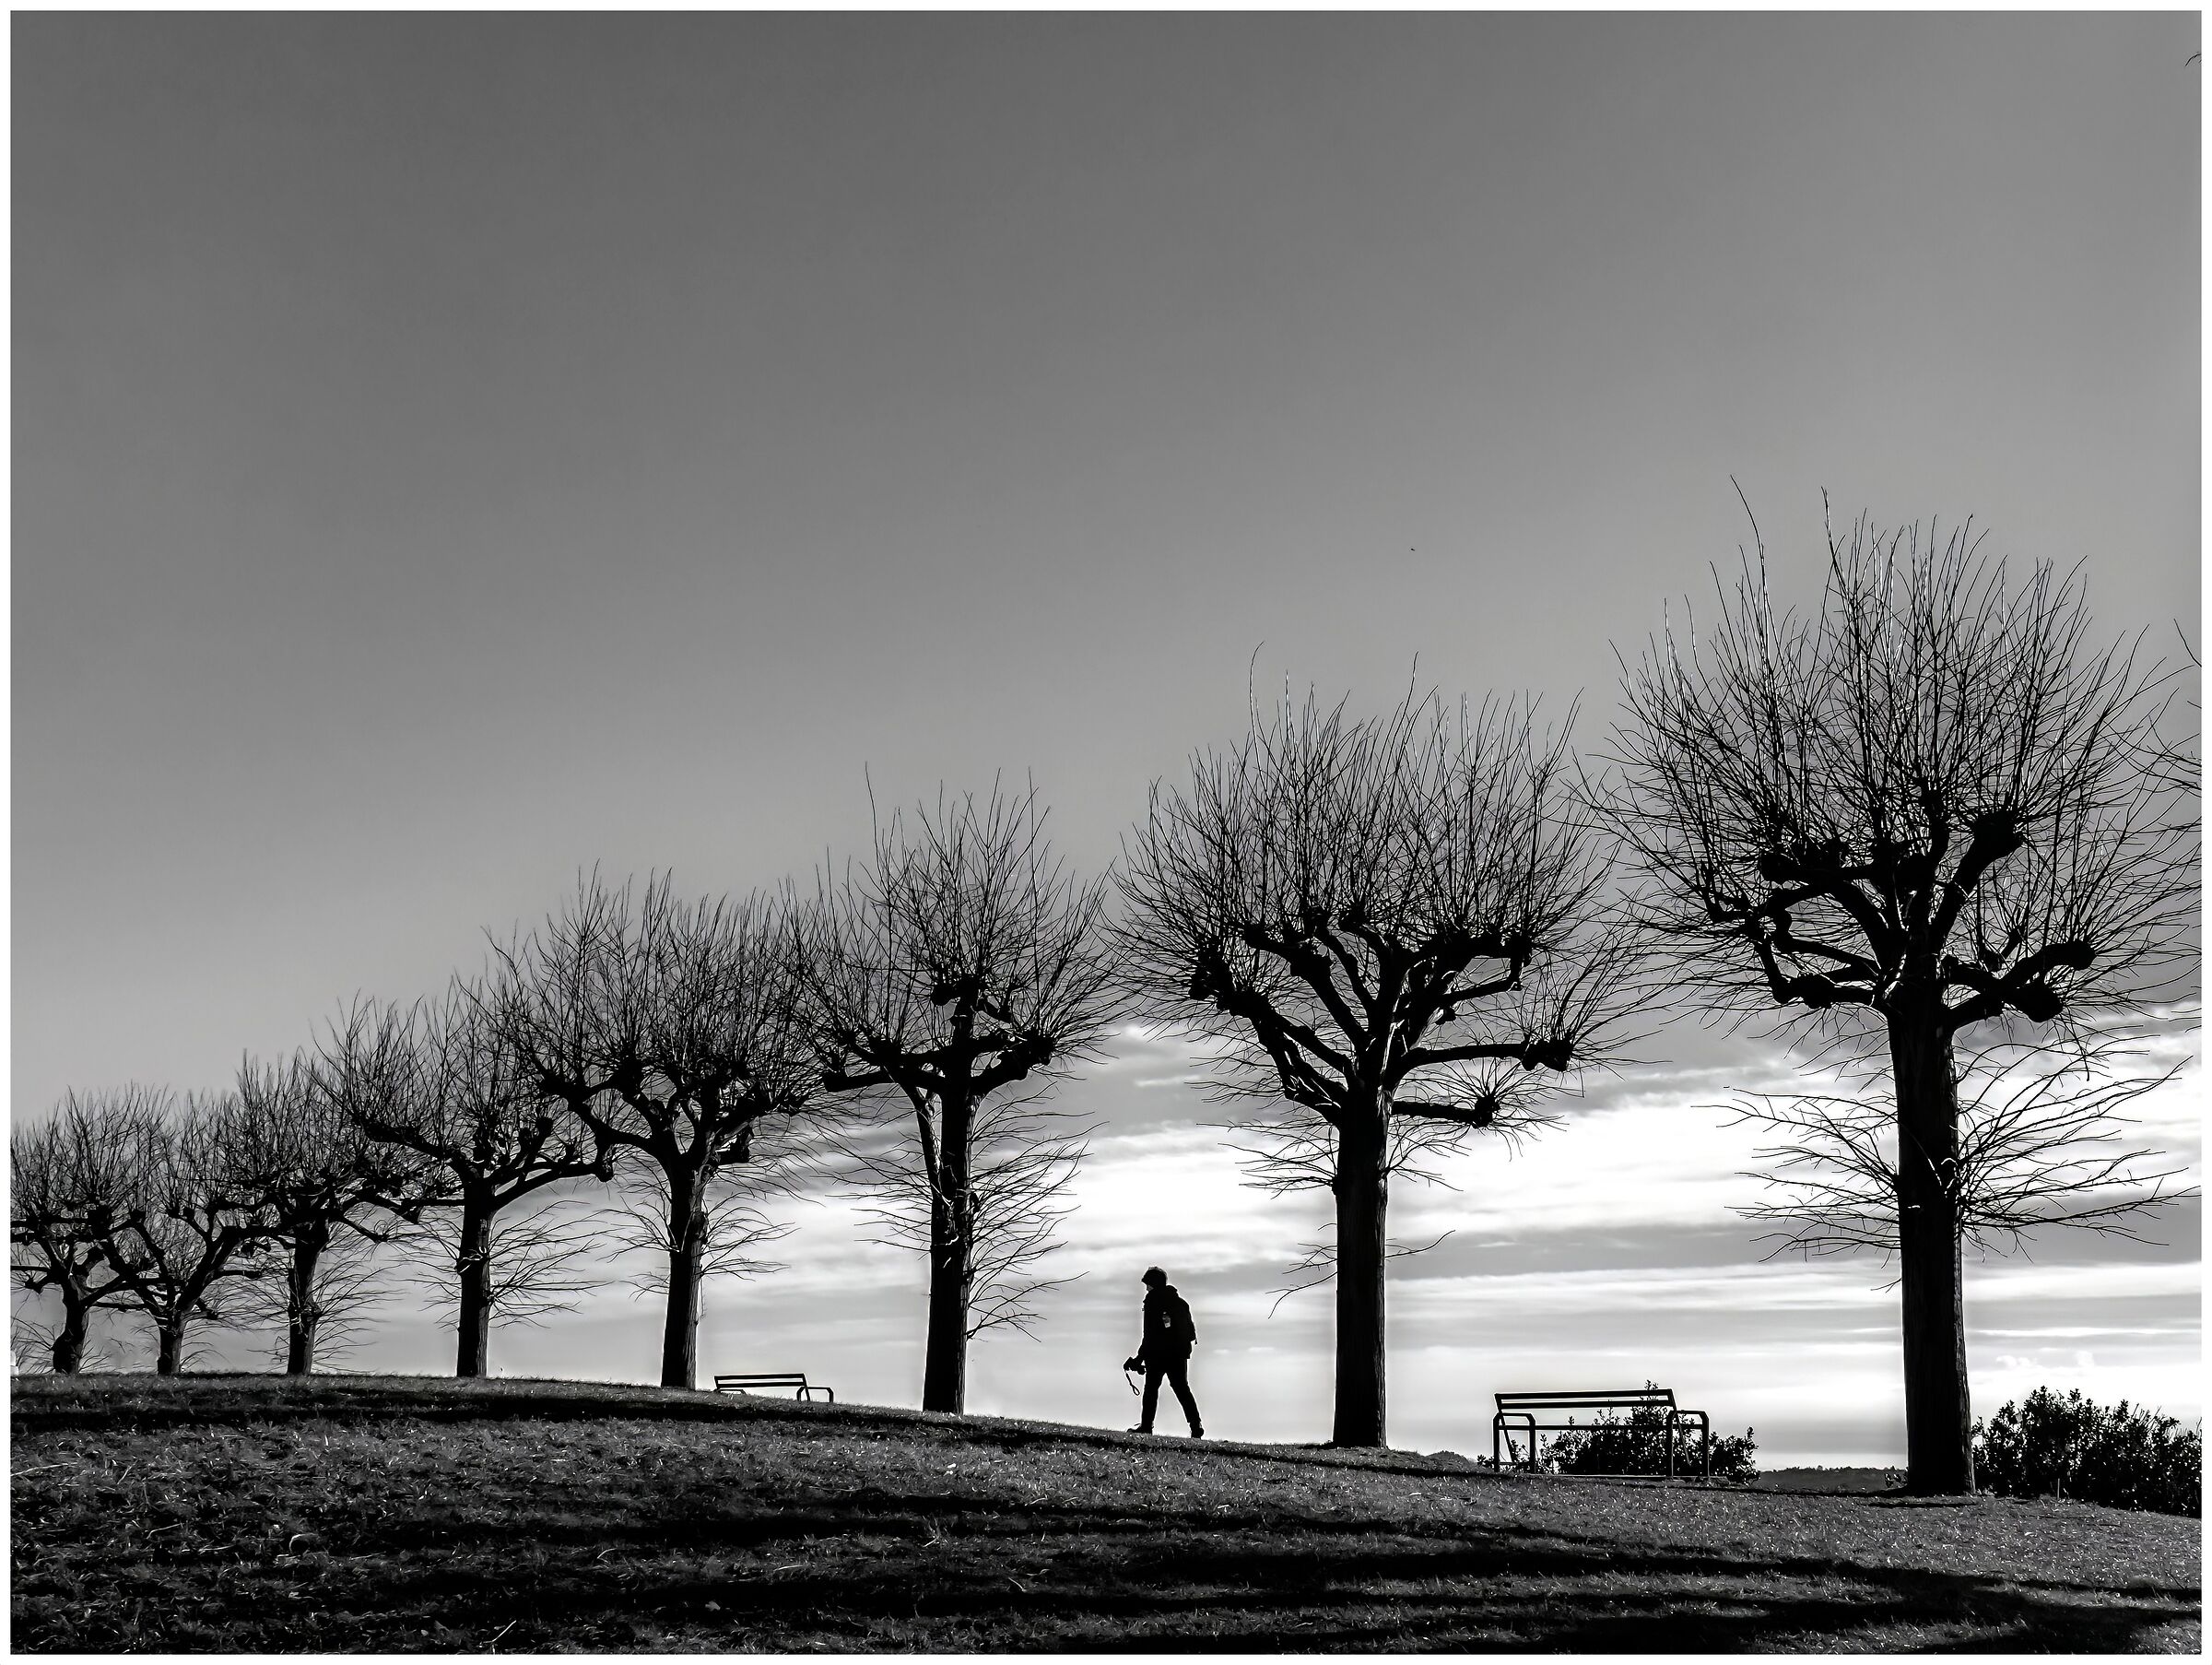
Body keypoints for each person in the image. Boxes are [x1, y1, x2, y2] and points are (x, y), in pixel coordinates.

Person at [1125, 1265, 1203, 1438]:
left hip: (1158, 1354)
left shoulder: (1153, 1301)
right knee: (1182, 1389)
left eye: (1148, 1284)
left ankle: (1146, 1426)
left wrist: (1139, 1358)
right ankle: (1196, 1426)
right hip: (1179, 1353)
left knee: (1151, 1390)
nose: (1146, 1288)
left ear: (1154, 1284)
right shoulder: (1179, 1302)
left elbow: (1150, 1334)